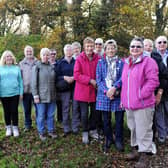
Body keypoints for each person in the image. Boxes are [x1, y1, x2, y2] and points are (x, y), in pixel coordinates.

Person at [121, 37, 159, 168]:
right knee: (133, 128)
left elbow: (153, 81)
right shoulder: (127, 62)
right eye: (132, 46)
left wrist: (140, 95)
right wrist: (123, 99)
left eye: (138, 46)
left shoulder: (149, 62)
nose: (135, 49)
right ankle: (136, 150)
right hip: (129, 104)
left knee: (144, 129)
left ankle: (145, 155)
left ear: (142, 49)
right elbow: (125, 83)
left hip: (143, 104)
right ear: (129, 49)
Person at [96, 39, 124, 153]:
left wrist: (114, 88)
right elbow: (98, 79)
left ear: (115, 49)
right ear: (105, 50)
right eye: (108, 48)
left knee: (119, 119)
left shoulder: (121, 62)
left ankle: (118, 139)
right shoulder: (100, 62)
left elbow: (123, 77)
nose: (111, 50)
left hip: (117, 93)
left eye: (113, 48)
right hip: (104, 94)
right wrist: (107, 91)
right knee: (106, 119)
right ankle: (108, 139)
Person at [74, 37, 100, 144]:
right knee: (84, 113)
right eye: (87, 46)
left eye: (91, 46)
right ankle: (85, 131)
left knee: (95, 112)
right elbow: (76, 75)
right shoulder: (79, 59)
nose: (89, 48)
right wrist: (89, 80)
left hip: (95, 90)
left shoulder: (98, 58)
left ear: (94, 47)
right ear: (84, 47)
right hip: (83, 90)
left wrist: (98, 82)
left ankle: (92, 129)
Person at [31, 48, 57, 141]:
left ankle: (50, 130)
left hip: (52, 95)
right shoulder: (37, 66)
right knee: (41, 115)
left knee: (50, 114)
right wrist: (35, 95)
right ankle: (41, 132)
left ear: (50, 56)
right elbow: (33, 82)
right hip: (41, 96)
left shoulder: (52, 66)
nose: (46, 57)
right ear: (40, 56)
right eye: (44, 55)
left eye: (47, 55)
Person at [56, 44, 79, 135]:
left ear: (72, 51)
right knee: (65, 108)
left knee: (75, 107)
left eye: (70, 50)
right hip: (64, 88)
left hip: (75, 88)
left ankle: (75, 127)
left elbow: (79, 72)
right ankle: (66, 127)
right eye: (67, 50)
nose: (69, 52)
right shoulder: (60, 62)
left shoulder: (76, 61)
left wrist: (74, 77)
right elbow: (56, 76)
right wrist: (64, 77)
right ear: (64, 51)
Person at [0, 50, 23, 137]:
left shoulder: (16, 68)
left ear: (12, 58)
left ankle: (15, 128)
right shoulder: (0, 68)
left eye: (10, 56)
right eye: (7, 56)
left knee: (14, 111)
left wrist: (21, 92)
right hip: (3, 93)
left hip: (15, 93)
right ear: (4, 59)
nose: (9, 58)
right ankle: (8, 128)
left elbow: (20, 81)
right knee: (6, 111)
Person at [151, 35, 168, 143]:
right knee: (159, 113)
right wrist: (159, 91)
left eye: (164, 42)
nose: (162, 44)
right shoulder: (152, 56)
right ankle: (162, 134)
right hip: (158, 89)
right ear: (156, 44)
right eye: (159, 42)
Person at [19, 45, 38, 131]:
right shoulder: (21, 64)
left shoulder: (37, 62)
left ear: (33, 52)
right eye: (27, 51)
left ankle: (39, 124)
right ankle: (27, 125)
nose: (29, 53)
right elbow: (19, 78)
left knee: (38, 109)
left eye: (30, 51)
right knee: (27, 110)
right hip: (25, 91)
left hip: (36, 91)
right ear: (24, 53)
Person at [49, 49, 62, 123]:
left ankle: (60, 119)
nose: (52, 55)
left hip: (58, 87)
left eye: (54, 54)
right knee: (51, 105)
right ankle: (51, 119)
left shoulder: (59, 63)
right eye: (51, 54)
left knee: (59, 104)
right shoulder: (46, 64)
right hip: (49, 88)